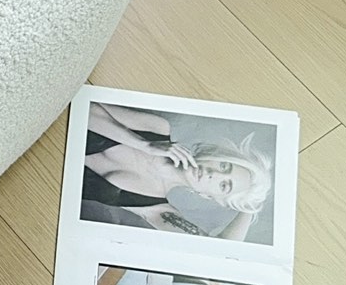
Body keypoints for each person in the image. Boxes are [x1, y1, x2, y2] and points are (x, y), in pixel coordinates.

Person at [82, 102, 273, 240]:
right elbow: (86, 110)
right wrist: (144, 144)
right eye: (224, 166)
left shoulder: (158, 209)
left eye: (224, 185)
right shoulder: (157, 129)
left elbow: (219, 252)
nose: (213, 174)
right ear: (217, 155)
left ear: (209, 196)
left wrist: (251, 207)